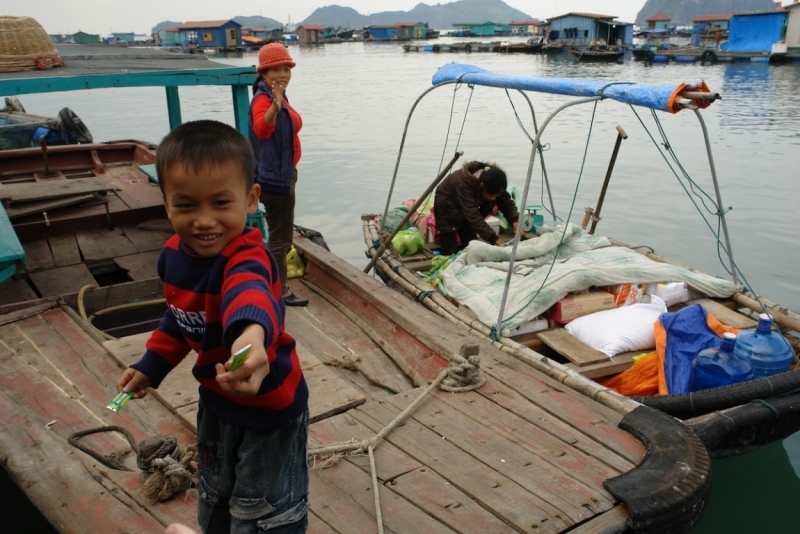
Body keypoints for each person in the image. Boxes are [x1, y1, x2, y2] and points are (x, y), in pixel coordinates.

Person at [117, 120, 309, 534]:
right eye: (186, 206)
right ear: (166, 204)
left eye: (221, 203)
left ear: (251, 198)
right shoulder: (172, 256)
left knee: (265, 512)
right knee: (215, 493)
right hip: (216, 402)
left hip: (270, 410)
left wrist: (252, 337)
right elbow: (180, 315)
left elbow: (251, 297)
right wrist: (152, 364)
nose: (205, 221)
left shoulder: (249, 256)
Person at [249, 42, 307, 307]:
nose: (282, 74)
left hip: (284, 175)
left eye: (286, 68)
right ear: (263, 73)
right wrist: (274, 108)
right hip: (275, 180)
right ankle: (278, 291)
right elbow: (262, 128)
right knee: (281, 238)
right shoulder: (264, 99)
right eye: (275, 69)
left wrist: (279, 100)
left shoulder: (279, 93)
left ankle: (273, 285)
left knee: (280, 235)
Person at [434, 161, 520, 255]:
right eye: (491, 195)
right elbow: (474, 216)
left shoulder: (495, 183)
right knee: (449, 247)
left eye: (496, 196)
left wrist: (515, 220)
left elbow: (506, 202)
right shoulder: (465, 184)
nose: (494, 199)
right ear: (482, 185)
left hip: (467, 206)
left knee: (471, 244)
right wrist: (494, 239)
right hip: (446, 204)